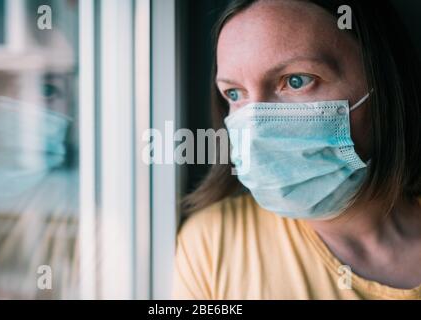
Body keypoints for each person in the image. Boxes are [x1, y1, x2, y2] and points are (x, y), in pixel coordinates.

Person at [173, 0, 421, 299]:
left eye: (296, 80)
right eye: (234, 93)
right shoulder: (213, 246)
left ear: (381, 81)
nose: (256, 125)